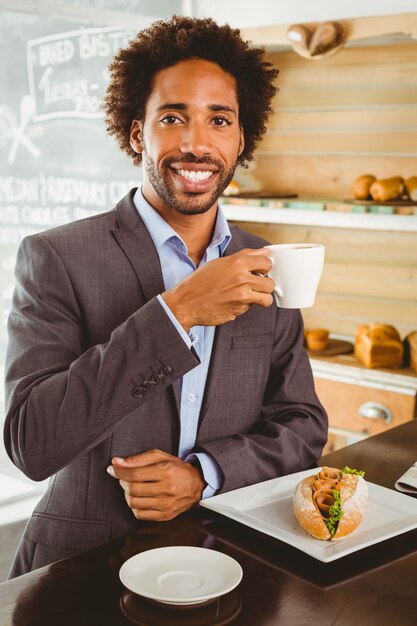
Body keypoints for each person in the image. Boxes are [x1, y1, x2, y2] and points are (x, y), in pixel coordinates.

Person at [4, 15, 327, 578]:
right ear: (137, 133)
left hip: (229, 557)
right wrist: (177, 312)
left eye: (219, 120)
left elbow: (302, 427)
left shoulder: (267, 262)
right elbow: (32, 443)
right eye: (173, 117)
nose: (197, 143)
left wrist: (206, 474)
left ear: (241, 138)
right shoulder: (56, 257)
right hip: (80, 568)